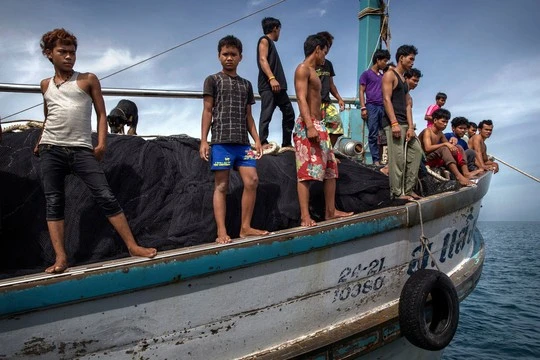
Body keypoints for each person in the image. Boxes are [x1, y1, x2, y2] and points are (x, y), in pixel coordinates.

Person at [34, 28, 156, 274]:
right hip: (51, 148)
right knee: (54, 201)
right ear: (49, 54)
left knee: (105, 195)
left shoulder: (88, 79)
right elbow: (49, 117)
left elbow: (102, 114)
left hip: (81, 149)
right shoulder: (45, 85)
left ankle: (132, 246)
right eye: (62, 52)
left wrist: (101, 143)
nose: (69, 57)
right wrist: (40, 138)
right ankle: (61, 258)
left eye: (72, 52)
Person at [200, 35, 269, 244]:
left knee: (252, 180)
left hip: (243, 144)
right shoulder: (212, 80)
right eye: (225, 54)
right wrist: (204, 140)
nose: (229, 58)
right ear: (219, 56)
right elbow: (207, 110)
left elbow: (249, 116)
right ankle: (221, 231)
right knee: (221, 186)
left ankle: (245, 227)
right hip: (221, 142)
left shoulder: (246, 85)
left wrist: (257, 139)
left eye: (233, 54)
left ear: (240, 57)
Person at [293, 34, 353, 227]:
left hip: (321, 125)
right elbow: (301, 98)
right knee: (305, 173)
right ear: (317, 49)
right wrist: (310, 125)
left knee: (331, 170)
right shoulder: (303, 69)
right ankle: (304, 216)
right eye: (324, 53)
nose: (324, 57)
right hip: (308, 124)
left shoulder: (316, 71)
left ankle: (330, 211)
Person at [381, 45, 423, 200]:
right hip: (394, 123)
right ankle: (397, 193)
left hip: (405, 124)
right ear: (401, 58)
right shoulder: (389, 75)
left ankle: (409, 188)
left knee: (416, 151)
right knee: (397, 159)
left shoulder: (405, 81)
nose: (412, 62)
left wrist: (411, 127)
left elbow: (407, 106)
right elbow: (386, 99)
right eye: (410, 59)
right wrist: (393, 123)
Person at [256, 17, 295, 150]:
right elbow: (262, 59)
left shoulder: (271, 44)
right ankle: (261, 141)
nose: (279, 33)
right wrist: (272, 78)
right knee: (267, 113)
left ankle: (286, 143)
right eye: (279, 30)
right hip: (269, 86)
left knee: (289, 113)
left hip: (279, 87)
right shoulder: (264, 40)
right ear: (275, 28)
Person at [419, 109, 476, 186]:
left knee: (458, 147)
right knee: (444, 148)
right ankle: (458, 176)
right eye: (443, 121)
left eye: (446, 122)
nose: (445, 124)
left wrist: (453, 142)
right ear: (435, 120)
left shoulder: (440, 133)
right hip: (425, 160)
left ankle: (466, 173)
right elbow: (427, 148)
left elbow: (450, 146)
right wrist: (445, 144)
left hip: (436, 159)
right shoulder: (427, 131)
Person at [359, 49, 391, 165]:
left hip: (383, 107)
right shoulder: (366, 74)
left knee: (385, 134)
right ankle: (376, 160)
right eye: (384, 61)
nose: (385, 63)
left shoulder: (383, 76)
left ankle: (384, 160)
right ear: (378, 60)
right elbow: (361, 91)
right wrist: (363, 107)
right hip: (371, 106)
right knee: (373, 134)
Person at [315, 31, 345, 147]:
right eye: (326, 45)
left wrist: (339, 98)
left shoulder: (328, 64)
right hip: (314, 104)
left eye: (329, 46)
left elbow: (331, 84)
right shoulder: (309, 64)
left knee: (337, 127)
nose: (327, 49)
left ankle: (328, 151)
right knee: (315, 130)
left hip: (327, 102)